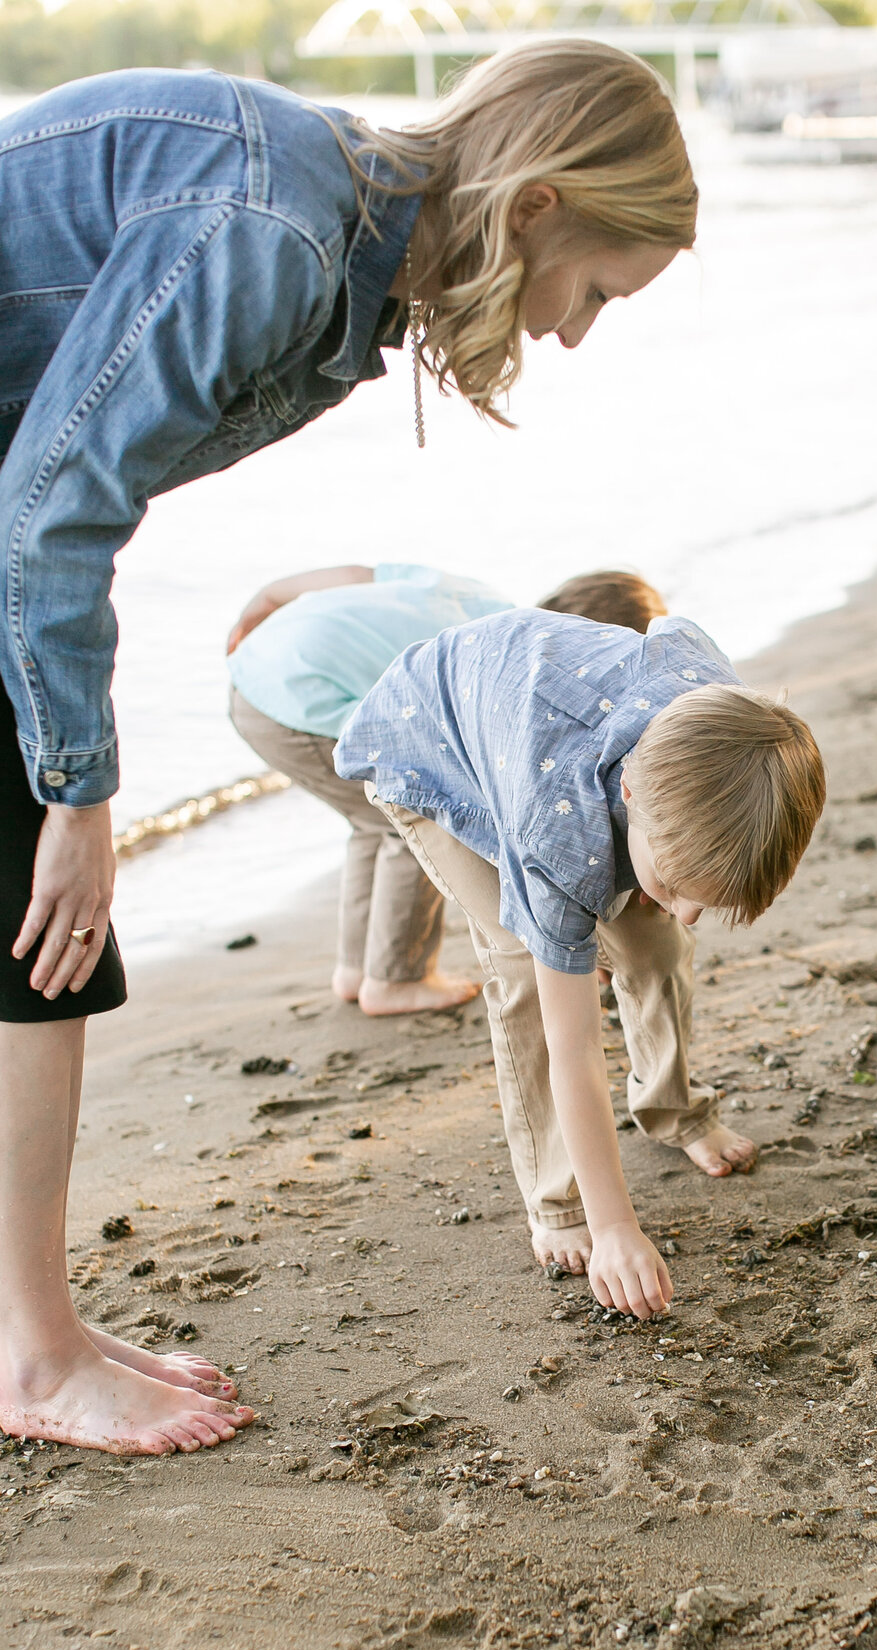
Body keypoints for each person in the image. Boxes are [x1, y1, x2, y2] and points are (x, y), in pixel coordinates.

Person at [0, 44, 697, 1456]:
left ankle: (32, 1332)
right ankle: (32, 1355)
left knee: (36, 942)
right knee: (45, 924)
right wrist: (79, 787)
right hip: (15, 537)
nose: (572, 335)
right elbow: (55, 503)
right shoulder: (280, 229)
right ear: (539, 206)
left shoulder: (338, 251)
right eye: (597, 292)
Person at [336, 609, 826, 1320]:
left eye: (706, 899)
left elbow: (670, 626)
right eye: (679, 886)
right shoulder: (562, 836)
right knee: (525, 975)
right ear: (631, 796)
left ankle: (677, 1111)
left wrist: (659, 893)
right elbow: (575, 1050)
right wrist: (614, 1228)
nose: (690, 911)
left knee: (656, 944)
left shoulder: (725, 730)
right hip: (431, 746)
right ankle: (556, 1198)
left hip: (536, 730)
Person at [225, 562, 666, 1015]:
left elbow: (358, 573)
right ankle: (395, 978)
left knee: (369, 822)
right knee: (414, 808)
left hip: (254, 675)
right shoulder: (522, 679)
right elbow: (493, 804)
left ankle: (356, 970)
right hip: (301, 697)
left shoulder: (478, 597)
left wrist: (267, 598)